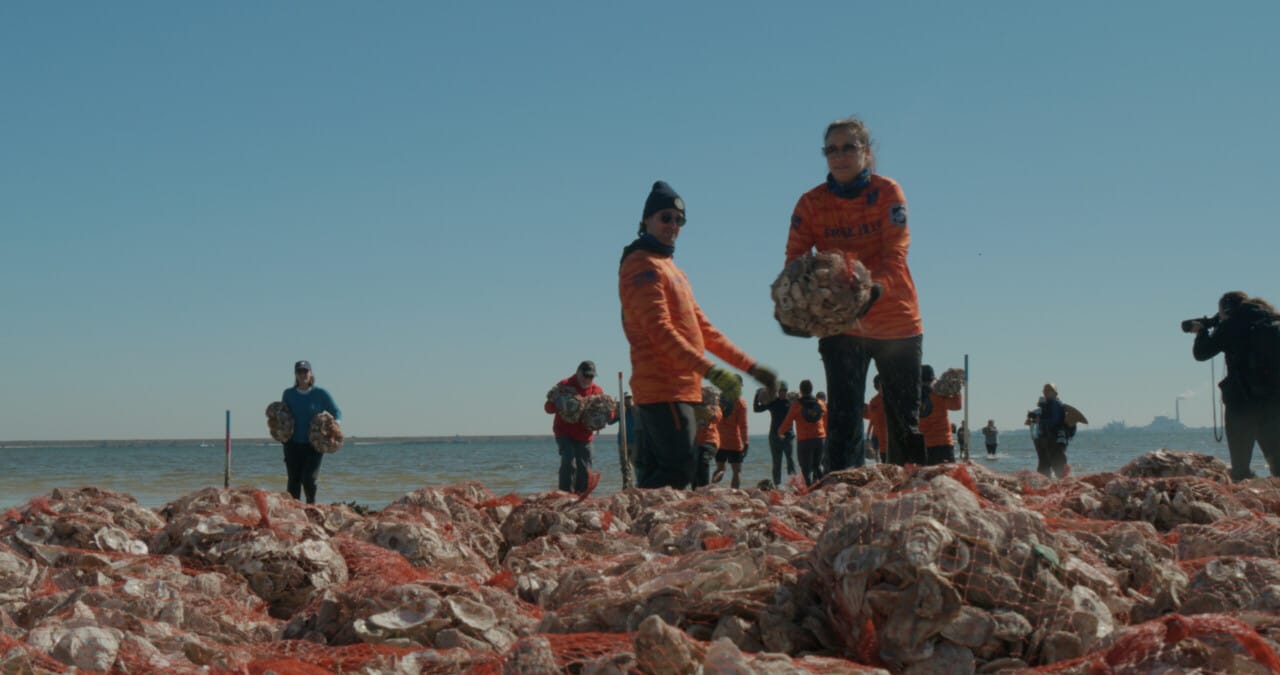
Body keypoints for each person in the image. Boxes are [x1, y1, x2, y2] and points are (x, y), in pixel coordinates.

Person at [781, 116, 925, 469]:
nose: (840, 156)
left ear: (866, 152)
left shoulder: (887, 192)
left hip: (896, 322)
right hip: (842, 325)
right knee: (843, 424)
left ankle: (909, 493)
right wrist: (791, 306)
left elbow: (896, 253)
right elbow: (795, 262)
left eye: (849, 147)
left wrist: (871, 290)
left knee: (904, 424)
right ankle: (843, 490)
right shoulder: (811, 203)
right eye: (831, 149)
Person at [619, 181, 778, 490]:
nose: (673, 225)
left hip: (681, 390)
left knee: (662, 478)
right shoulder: (641, 265)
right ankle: (643, 521)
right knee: (677, 471)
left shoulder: (672, 269)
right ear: (647, 220)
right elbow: (659, 330)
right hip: (662, 388)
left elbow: (705, 330)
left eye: (680, 220)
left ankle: (637, 521)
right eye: (666, 217)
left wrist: (750, 367)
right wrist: (711, 371)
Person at [1191, 291, 1280, 481]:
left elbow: (1202, 353)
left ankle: (1245, 489)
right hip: (1273, 402)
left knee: (1240, 467)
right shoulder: (1272, 322)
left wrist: (1202, 332)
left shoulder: (1232, 324)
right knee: (1277, 461)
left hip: (1241, 403)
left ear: (1226, 309)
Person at [544, 360, 610, 494]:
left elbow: (609, 413)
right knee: (569, 461)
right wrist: (559, 404)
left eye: (591, 376)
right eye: (585, 375)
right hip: (564, 432)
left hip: (585, 435)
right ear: (578, 372)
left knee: (585, 467)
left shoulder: (597, 391)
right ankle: (565, 494)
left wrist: (607, 416)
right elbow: (548, 408)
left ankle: (581, 496)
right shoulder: (564, 385)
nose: (587, 379)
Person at [280, 360, 341, 504]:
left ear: (311, 373)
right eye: (299, 371)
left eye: (305, 371)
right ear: (295, 374)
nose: (302, 374)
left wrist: (334, 427)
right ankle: (294, 509)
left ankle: (311, 505)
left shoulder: (320, 393)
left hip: (314, 444)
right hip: (292, 443)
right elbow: (283, 415)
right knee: (293, 480)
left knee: (308, 479)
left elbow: (337, 412)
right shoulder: (288, 394)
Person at [778, 380, 827, 486]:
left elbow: (787, 423)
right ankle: (825, 486)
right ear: (811, 389)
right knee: (817, 466)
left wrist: (780, 432)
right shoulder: (821, 403)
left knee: (805, 469)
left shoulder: (796, 405)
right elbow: (826, 420)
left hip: (804, 440)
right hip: (820, 439)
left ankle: (809, 490)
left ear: (801, 390)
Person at [754, 382, 798, 485]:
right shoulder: (773, 402)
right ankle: (777, 485)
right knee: (777, 462)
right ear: (778, 392)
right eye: (781, 391)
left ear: (787, 391)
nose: (782, 393)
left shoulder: (790, 403)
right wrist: (756, 395)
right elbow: (756, 409)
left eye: (784, 391)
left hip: (788, 436)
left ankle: (793, 484)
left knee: (790, 460)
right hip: (774, 436)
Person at [918, 365, 961, 465]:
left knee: (926, 473)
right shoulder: (939, 394)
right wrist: (956, 390)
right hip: (943, 442)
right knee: (947, 473)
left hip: (923, 444)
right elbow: (957, 406)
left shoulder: (914, 396)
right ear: (933, 378)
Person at [713, 381, 750, 488]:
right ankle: (734, 492)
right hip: (734, 442)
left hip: (719, 440)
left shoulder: (718, 400)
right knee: (737, 471)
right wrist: (745, 442)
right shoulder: (740, 403)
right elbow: (743, 425)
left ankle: (711, 486)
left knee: (720, 468)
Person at [1032, 383, 1069, 478]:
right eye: (1044, 390)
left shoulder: (1056, 404)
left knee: (1057, 467)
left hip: (1054, 439)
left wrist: (1041, 421)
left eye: (1048, 390)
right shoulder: (1046, 405)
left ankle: (1060, 483)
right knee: (1043, 468)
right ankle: (1046, 484)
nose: (1045, 392)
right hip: (1044, 440)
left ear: (1055, 393)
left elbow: (1055, 420)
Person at [691, 393, 723, 488]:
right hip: (695, 441)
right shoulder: (693, 407)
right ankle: (695, 490)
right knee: (694, 465)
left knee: (703, 461)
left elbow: (715, 417)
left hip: (710, 440)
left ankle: (704, 488)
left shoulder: (716, 409)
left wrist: (703, 409)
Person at [864, 374, 888, 463]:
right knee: (879, 459)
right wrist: (867, 437)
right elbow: (871, 420)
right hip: (877, 435)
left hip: (890, 437)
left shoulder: (892, 400)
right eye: (880, 385)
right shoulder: (874, 401)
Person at [617, 393, 638, 489]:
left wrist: (633, 408)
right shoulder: (621, 411)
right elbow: (610, 421)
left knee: (636, 463)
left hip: (635, 441)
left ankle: (639, 483)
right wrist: (618, 410)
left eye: (629, 398)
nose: (628, 400)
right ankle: (627, 485)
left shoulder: (636, 409)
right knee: (624, 465)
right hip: (622, 441)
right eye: (626, 398)